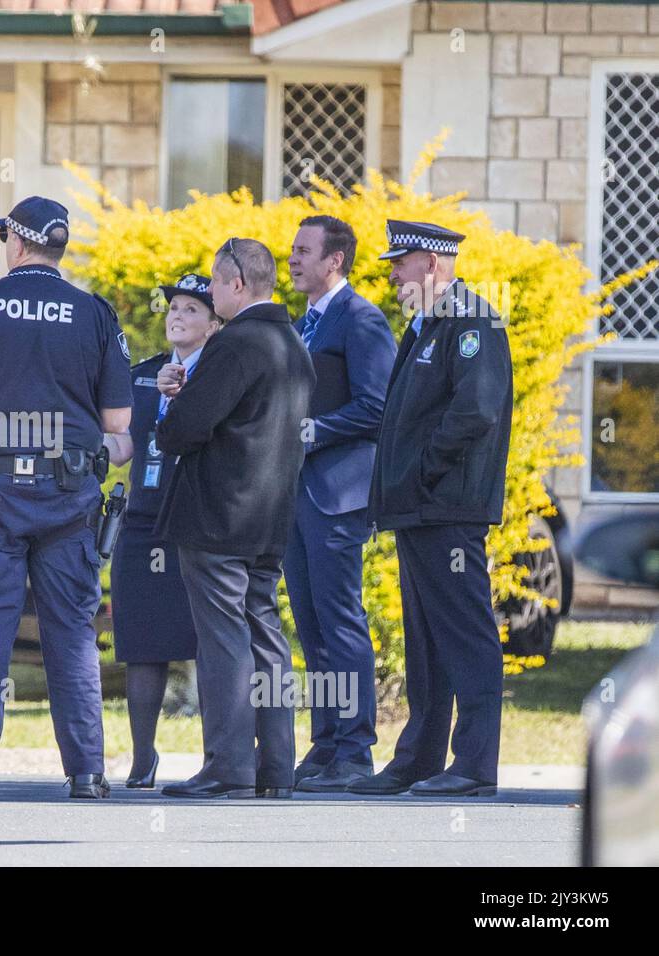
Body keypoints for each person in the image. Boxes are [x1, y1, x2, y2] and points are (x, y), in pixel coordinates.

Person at [0, 196, 132, 799]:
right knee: (71, 631)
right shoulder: (95, 313)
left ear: (16, 241)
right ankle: (87, 771)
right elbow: (118, 421)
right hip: (68, 494)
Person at [350, 220, 512, 798]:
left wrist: (422, 471)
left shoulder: (471, 319)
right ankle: (418, 758)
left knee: (465, 634)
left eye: (401, 262)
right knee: (425, 639)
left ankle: (473, 765)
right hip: (420, 508)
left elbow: (477, 411)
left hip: (447, 507)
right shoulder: (427, 324)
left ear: (434, 265)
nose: (392, 273)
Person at [155, 238, 315, 799]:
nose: (210, 292)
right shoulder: (293, 342)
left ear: (238, 284)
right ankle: (275, 767)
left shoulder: (237, 342)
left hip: (218, 515)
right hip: (271, 517)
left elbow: (182, 430)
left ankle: (228, 765)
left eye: (216, 283)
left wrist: (174, 402)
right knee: (265, 635)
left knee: (223, 640)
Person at [283, 216, 397, 792]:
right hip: (297, 497)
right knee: (311, 625)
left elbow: (378, 407)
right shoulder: (302, 322)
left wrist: (309, 432)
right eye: (292, 249)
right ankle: (325, 744)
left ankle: (354, 750)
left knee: (340, 621)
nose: (293, 258)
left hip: (338, 496)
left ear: (335, 261)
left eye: (304, 251)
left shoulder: (362, 318)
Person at [107, 274, 220, 789]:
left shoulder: (224, 375)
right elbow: (122, 447)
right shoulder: (142, 376)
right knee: (142, 643)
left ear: (215, 324)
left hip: (201, 522)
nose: (177, 315)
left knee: (212, 641)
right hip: (143, 522)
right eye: (174, 307)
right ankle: (142, 755)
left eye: (192, 309)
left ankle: (218, 757)